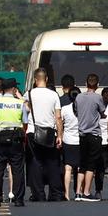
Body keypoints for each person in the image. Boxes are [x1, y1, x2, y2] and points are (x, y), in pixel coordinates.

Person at [26, 68, 64, 201]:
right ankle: (56, 193)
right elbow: (58, 117)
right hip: (49, 132)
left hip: (33, 131)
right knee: (52, 163)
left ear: (35, 80)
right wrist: (59, 135)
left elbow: (26, 110)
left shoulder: (29, 93)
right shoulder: (53, 95)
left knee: (35, 163)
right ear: (46, 79)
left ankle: (38, 194)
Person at [0, 80, 27, 206]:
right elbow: (25, 122)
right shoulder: (20, 103)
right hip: (16, 138)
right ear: (14, 89)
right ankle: (18, 199)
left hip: (0, 138)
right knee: (18, 170)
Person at [72, 73, 105, 201]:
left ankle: (78, 192)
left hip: (82, 134)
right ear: (97, 85)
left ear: (86, 84)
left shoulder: (79, 97)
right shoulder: (98, 98)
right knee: (91, 164)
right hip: (94, 134)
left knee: (82, 164)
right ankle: (86, 192)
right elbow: (103, 113)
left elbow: (76, 111)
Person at [58, 76, 79, 201]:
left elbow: (61, 123)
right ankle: (78, 192)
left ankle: (66, 193)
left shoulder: (64, 108)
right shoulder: (82, 108)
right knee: (80, 168)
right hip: (80, 140)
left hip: (67, 140)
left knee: (68, 168)